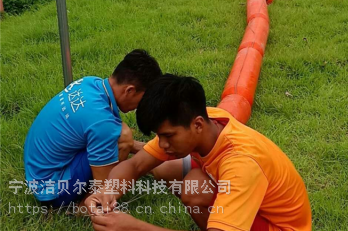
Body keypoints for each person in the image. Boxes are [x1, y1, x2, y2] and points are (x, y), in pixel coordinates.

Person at [86, 74, 312, 231]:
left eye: (168, 136)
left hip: (278, 226)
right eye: (159, 136)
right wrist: (107, 191)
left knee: (188, 182)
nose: (162, 144)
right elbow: (136, 166)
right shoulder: (207, 119)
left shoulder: (242, 163)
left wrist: (134, 227)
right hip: (254, 207)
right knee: (190, 183)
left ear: (197, 125)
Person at [24, 49, 162, 208]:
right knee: (123, 137)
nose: (141, 106)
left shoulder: (90, 83)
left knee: (117, 135)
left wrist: (155, 152)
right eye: (143, 99)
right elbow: (102, 183)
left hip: (38, 173)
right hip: (54, 190)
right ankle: (84, 208)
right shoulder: (102, 123)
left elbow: (101, 134)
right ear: (130, 90)